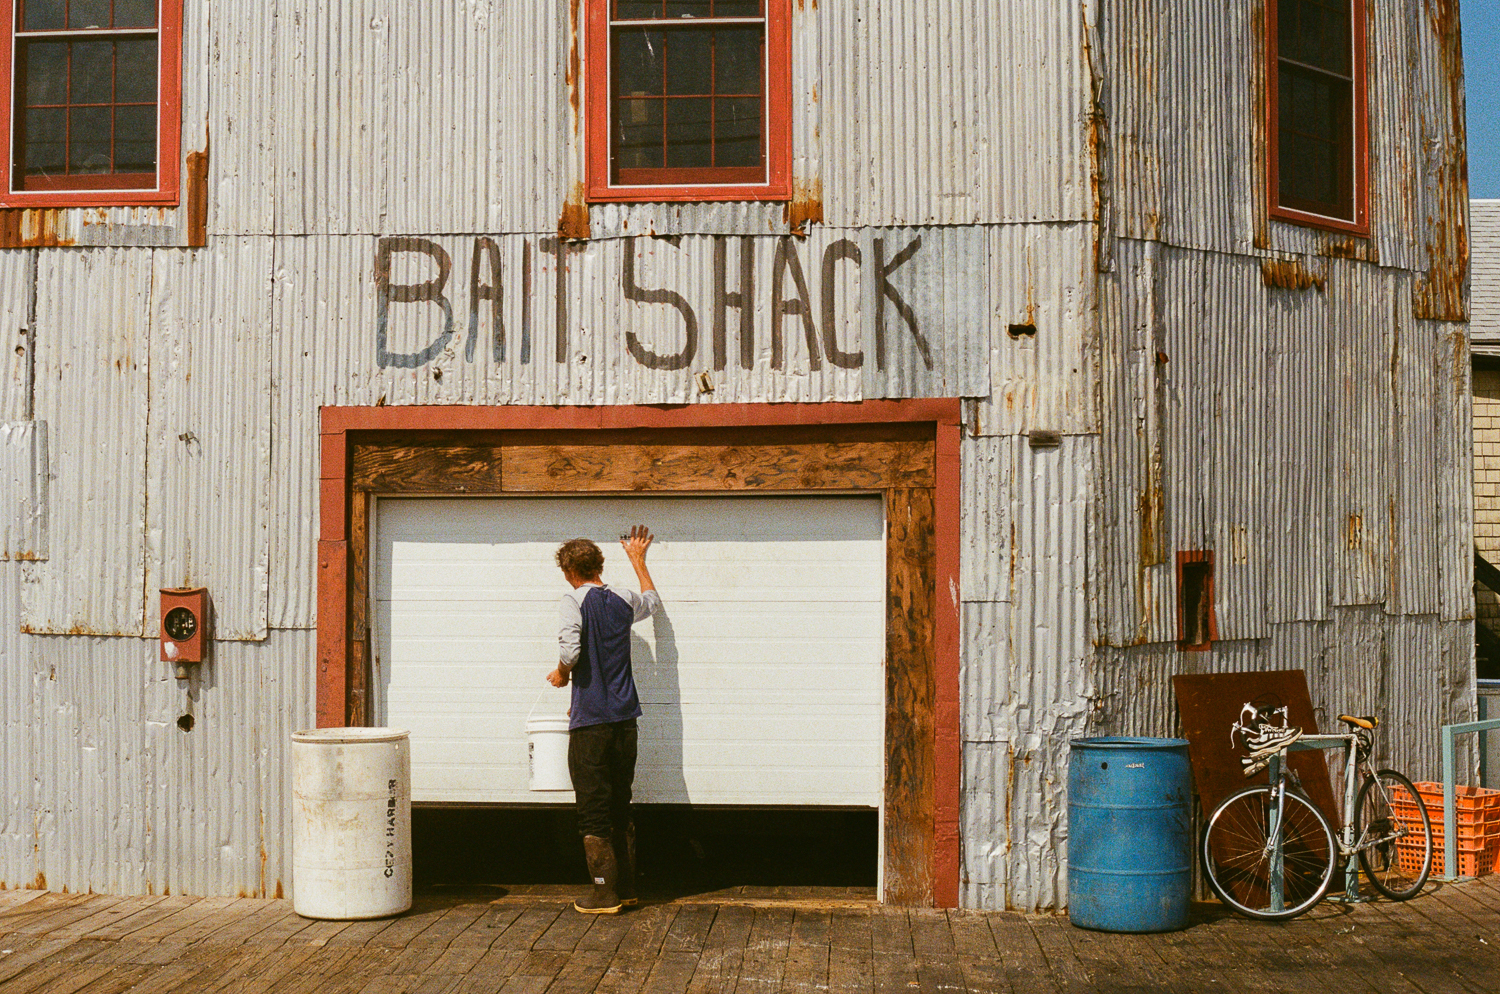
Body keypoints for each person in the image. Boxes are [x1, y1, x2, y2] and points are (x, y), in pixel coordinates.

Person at [547, 525, 661, 914]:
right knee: (619, 802)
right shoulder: (623, 598)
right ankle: (626, 887)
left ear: (568, 571)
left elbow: (572, 649)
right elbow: (652, 602)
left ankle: (602, 893)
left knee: (592, 807)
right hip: (625, 720)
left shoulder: (572, 600)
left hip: (591, 724)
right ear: (600, 565)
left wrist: (562, 673)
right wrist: (638, 560)